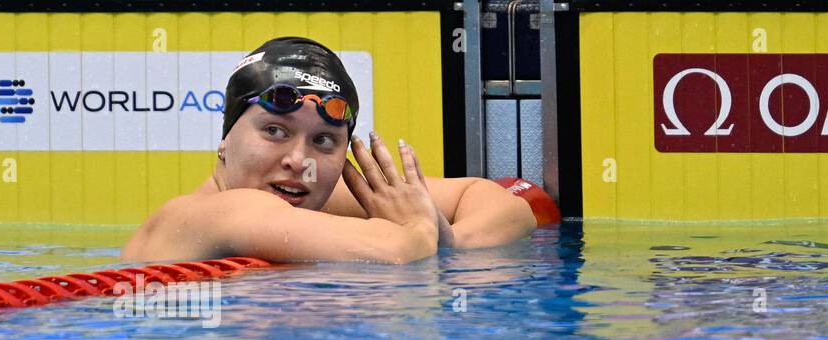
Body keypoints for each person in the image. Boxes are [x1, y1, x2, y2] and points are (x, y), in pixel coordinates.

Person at [122, 37, 539, 265]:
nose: (298, 161)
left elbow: (504, 205)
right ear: (226, 138)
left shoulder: (312, 205)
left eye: (323, 140)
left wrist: (451, 239)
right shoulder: (217, 212)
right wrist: (417, 228)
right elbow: (396, 250)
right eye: (274, 131)